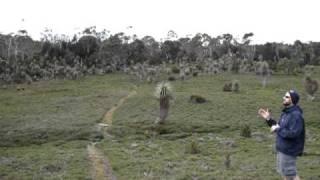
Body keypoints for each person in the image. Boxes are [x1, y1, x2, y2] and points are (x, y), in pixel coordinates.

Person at [258, 90, 305, 180]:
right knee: (285, 174)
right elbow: (279, 127)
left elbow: (293, 133)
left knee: (291, 175)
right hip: (282, 149)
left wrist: (277, 129)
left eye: (287, 97)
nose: (284, 98)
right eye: (284, 96)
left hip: (289, 150)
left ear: (293, 100)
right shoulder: (285, 113)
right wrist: (268, 119)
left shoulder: (296, 115)